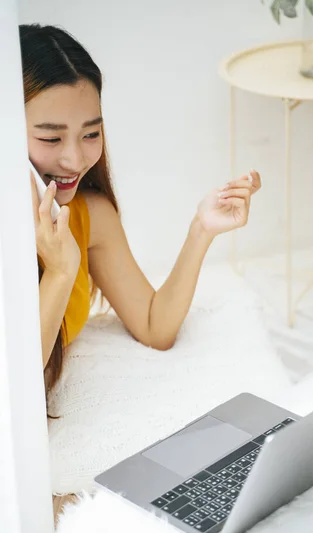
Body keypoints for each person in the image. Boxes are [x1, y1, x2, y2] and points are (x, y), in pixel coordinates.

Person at [20, 23, 262, 406]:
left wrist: (201, 229)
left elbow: (154, 326)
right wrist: (61, 272)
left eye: (90, 134)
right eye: (51, 138)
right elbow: (14, 389)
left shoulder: (88, 217)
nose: (74, 159)